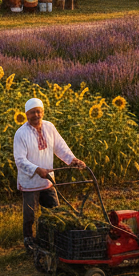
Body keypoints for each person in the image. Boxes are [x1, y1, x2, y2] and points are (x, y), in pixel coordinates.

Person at [14, 97, 85, 252]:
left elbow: (60, 147)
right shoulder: (21, 134)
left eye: (39, 111)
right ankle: (29, 243)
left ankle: (53, 240)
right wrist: (37, 169)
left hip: (48, 180)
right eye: (32, 112)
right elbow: (19, 160)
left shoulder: (49, 127)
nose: (36, 115)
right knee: (30, 216)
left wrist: (72, 160)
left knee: (55, 212)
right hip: (30, 183)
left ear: (43, 112)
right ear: (26, 114)